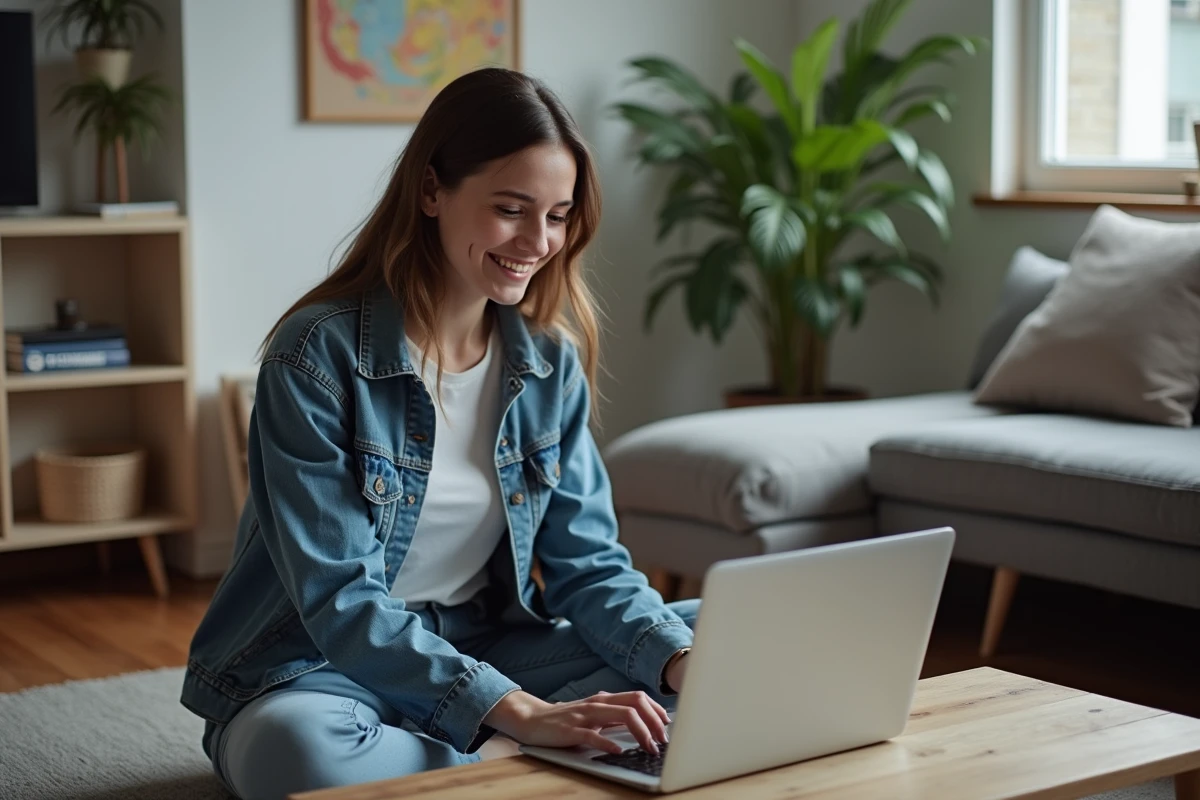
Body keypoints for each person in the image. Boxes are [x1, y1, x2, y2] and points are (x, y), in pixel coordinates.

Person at [180, 67, 699, 800]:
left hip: (483, 643)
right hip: (320, 668)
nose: (538, 240)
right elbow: (340, 599)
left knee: (713, 638)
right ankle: (508, 756)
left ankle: (474, 756)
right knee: (294, 755)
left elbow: (589, 567)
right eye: (511, 209)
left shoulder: (549, 366)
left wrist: (682, 663)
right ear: (431, 191)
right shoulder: (316, 357)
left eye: (557, 215)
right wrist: (519, 714)